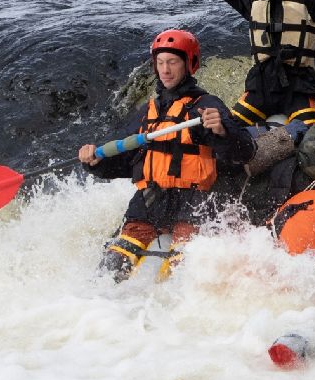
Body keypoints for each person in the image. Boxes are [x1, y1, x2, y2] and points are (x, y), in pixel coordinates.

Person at [79, 29, 253, 281]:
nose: (165, 70)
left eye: (172, 62)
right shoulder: (147, 112)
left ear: (189, 64)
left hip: (192, 204)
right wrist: (96, 163)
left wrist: (222, 131)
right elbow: (126, 162)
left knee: (178, 274)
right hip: (150, 203)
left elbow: (244, 151)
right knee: (111, 268)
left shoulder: (207, 105)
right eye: (160, 63)